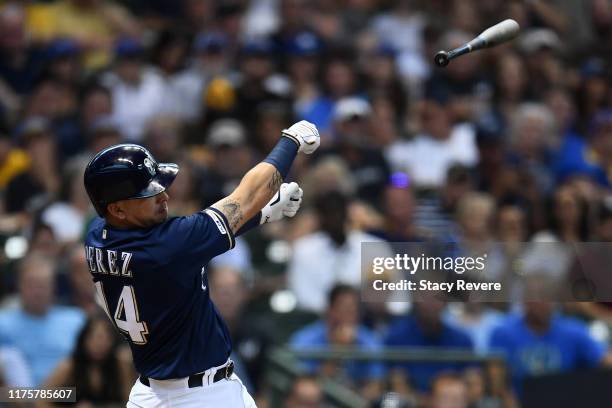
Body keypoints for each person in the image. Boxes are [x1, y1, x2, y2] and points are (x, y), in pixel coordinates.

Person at [83, 120, 319, 406]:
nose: (164, 196)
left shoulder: (97, 235)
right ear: (117, 208)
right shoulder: (167, 246)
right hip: (203, 396)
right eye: (148, 194)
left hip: (150, 394)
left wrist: (262, 216)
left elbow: (194, 242)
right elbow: (247, 197)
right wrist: (290, 141)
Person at [0, 255, 85, 386]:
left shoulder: (76, 320)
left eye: (43, 285)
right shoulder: (3, 323)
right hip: (17, 399)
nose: (37, 292)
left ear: (54, 287)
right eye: (31, 284)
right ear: (19, 285)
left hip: (67, 399)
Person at [290, 284, 384, 399]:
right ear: (330, 309)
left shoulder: (369, 341)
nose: (349, 315)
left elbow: (376, 385)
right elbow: (306, 388)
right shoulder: (305, 340)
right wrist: (337, 352)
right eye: (344, 309)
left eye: (353, 310)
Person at [41, 314, 135, 406]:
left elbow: (128, 401)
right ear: (84, 339)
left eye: (105, 339)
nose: (100, 344)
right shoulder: (69, 366)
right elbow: (42, 402)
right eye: (95, 338)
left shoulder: (120, 364)